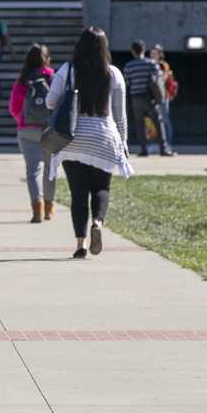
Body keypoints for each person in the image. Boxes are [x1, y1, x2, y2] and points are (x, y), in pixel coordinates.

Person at [46, 27, 131, 259]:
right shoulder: (113, 74)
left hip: (72, 138)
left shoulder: (68, 70)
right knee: (102, 188)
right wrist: (123, 142)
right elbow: (120, 115)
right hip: (103, 139)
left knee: (78, 193)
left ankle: (81, 245)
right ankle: (98, 223)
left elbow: (50, 101)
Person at [10, 44, 56, 223]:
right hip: (50, 130)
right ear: (47, 60)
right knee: (50, 170)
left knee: (32, 171)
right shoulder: (53, 79)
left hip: (27, 129)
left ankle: (37, 209)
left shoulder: (22, 80)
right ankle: (49, 208)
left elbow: (14, 107)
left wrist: (23, 119)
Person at [122, 40, 171, 157]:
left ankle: (144, 150)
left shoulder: (129, 66)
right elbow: (159, 78)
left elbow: (126, 83)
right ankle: (163, 149)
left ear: (133, 52)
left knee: (139, 124)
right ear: (144, 50)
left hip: (136, 98)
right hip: (149, 97)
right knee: (158, 122)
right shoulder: (151, 64)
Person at [152, 44, 178, 151]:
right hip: (153, 96)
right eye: (151, 54)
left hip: (163, 96)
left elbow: (162, 80)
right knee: (153, 121)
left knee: (165, 120)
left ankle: (168, 144)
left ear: (159, 55)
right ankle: (155, 143)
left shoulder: (163, 66)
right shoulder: (150, 64)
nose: (152, 56)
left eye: (154, 54)